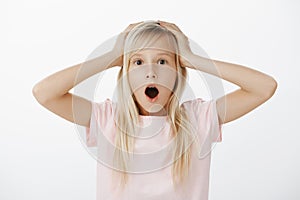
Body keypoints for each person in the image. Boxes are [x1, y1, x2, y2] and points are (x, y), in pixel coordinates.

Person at [32, 20, 277, 200]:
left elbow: (264, 88)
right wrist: (111, 56)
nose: (151, 72)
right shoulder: (107, 120)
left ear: (177, 73)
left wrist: (193, 59)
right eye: (138, 62)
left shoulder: (197, 120)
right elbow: (44, 93)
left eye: (162, 61)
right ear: (125, 74)